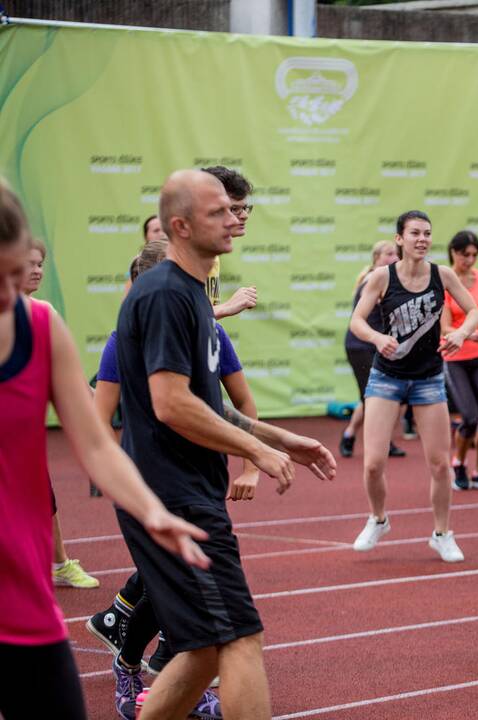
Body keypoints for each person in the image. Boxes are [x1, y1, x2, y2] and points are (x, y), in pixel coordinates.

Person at [114, 169, 335, 720]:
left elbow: (211, 402)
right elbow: (170, 403)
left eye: (238, 209)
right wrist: (255, 453)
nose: (234, 217)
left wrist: (281, 438)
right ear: (181, 226)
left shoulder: (191, 295)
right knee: (240, 637)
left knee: (205, 648)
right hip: (176, 496)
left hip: (181, 494)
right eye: (219, 211)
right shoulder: (166, 293)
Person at [0, 180, 210, 720]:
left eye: (12, 273)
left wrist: (152, 511)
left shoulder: (40, 326)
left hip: (22, 597)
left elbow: (96, 444)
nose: (7, 292)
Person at [349, 210, 478, 563]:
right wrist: (378, 338)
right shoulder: (381, 278)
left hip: (428, 379)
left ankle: (442, 533)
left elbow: (473, 312)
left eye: (427, 233)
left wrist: (461, 334)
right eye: (415, 233)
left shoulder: (442, 274)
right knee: (374, 463)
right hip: (386, 377)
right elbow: (357, 321)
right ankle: (378, 519)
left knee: (440, 464)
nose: (422, 239)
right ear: (399, 239)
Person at [18, 238, 102, 588]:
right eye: (30, 264)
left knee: (41, 494)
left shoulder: (44, 313)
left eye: (41, 264)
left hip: (22, 429)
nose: (37, 270)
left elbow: (64, 370)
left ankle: (58, 563)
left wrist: (96, 400)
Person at [340, 240, 406, 460]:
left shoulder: (388, 279)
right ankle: (377, 443)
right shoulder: (373, 279)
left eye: (396, 254)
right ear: (376, 257)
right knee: (373, 397)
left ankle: (350, 435)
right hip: (360, 346)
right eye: (388, 254)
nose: (394, 258)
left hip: (379, 346)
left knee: (372, 395)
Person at [442, 230, 478, 491]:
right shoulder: (445, 282)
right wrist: (464, 334)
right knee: (469, 416)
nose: (470, 260)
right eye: (466, 254)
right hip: (455, 356)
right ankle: (458, 463)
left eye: (475, 255)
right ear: (454, 252)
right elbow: (443, 326)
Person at [199, 166, 258, 321]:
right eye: (234, 209)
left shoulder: (211, 255)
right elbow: (168, 321)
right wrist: (225, 308)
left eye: (245, 208)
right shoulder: (171, 256)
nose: (244, 215)